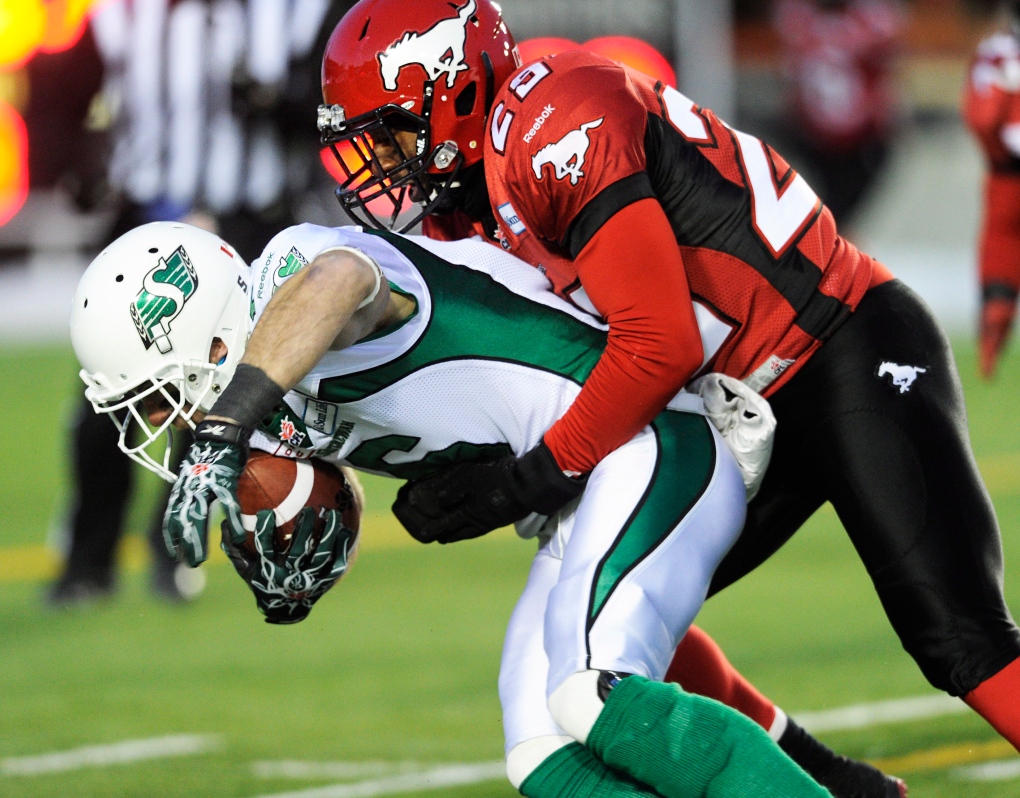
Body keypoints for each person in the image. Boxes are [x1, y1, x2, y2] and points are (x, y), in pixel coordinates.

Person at [315, 0, 1020, 769]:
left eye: (393, 134)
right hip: (737, 406)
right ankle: (841, 788)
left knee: (957, 635)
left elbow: (657, 346)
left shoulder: (552, 122)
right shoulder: (469, 205)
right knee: (615, 605)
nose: (380, 163)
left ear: (454, 91)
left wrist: (530, 478)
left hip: (836, 343)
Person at [72, 220, 831, 798]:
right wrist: (283, 541)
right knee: (541, 751)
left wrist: (222, 426)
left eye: (161, 394)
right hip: (589, 483)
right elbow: (324, 491)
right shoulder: (275, 395)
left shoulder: (292, 275)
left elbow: (338, 279)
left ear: (208, 345)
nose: (170, 422)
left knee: (590, 688)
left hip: (652, 434)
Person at [48, 0, 352, 605]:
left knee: (217, 392)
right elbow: (60, 92)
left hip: (247, 223)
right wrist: (76, 161)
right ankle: (89, 559)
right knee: (109, 397)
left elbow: (335, 105)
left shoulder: (292, 12)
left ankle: (174, 549)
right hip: (144, 220)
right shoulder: (123, 13)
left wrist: (280, 104)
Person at [772, 0, 903, 227]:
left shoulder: (799, 19)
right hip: (824, 137)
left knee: (831, 220)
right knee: (830, 222)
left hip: (844, 138)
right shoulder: (870, 20)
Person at [963, 0, 1020, 379]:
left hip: (1006, 175)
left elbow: (981, 117)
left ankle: (990, 343)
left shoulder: (995, 54)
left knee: (1000, 247)